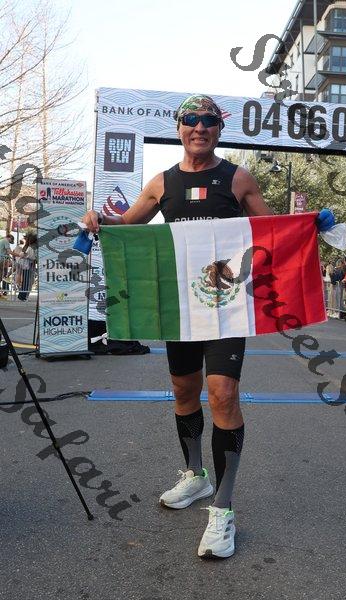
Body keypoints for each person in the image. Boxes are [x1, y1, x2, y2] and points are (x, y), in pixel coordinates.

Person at [82, 94, 272, 559]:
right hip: (180, 308)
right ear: (179, 127)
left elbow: (272, 232)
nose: (199, 127)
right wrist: (100, 220)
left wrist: (310, 226)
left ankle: (223, 509)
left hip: (225, 306)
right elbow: (128, 226)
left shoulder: (238, 178)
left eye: (208, 120)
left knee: (222, 394)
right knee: (184, 392)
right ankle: (195, 475)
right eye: (191, 119)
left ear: (219, 129)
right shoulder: (162, 182)